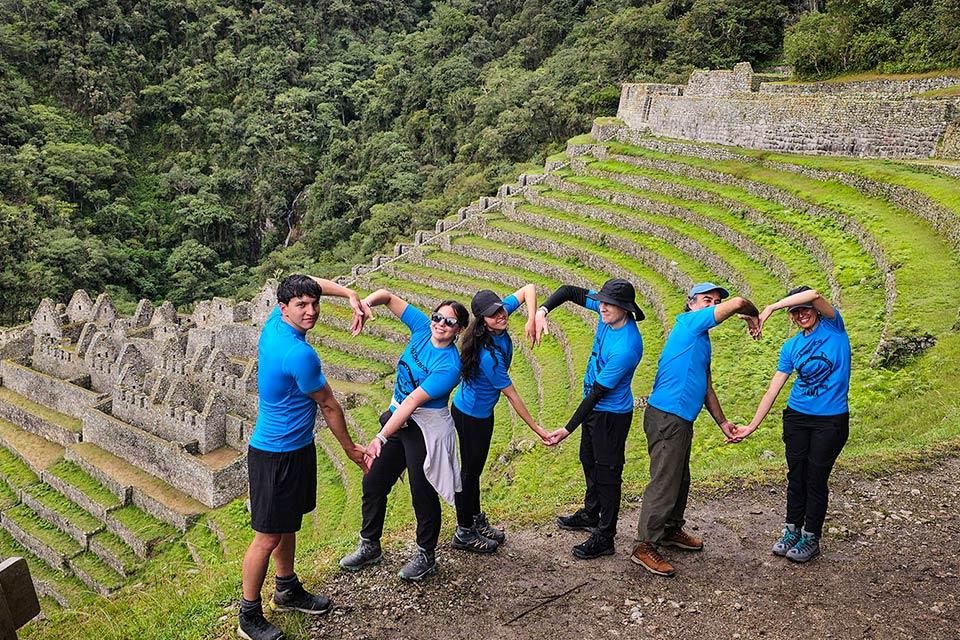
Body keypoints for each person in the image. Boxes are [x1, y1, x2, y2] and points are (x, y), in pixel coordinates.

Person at [239, 274, 370, 640]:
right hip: (275, 453)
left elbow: (308, 282)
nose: (311, 311)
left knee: (288, 524)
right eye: (302, 306)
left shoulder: (273, 324)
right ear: (284, 308)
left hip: (296, 448)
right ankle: (248, 614)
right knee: (266, 537)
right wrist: (350, 449)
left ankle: (287, 588)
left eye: (314, 304)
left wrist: (348, 293)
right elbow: (328, 404)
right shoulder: (299, 353)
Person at [338, 289, 469, 581]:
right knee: (373, 481)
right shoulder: (422, 328)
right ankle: (369, 544)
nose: (441, 324)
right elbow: (386, 295)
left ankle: (426, 554)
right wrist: (364, 306)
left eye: (449, 322)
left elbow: (412, 403)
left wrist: (381, 437)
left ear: (459, 330)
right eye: (438, 317)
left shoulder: (449, 366)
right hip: (399, 420)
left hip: (426, 427)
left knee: (422, 492)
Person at [631, 282, 759, 578]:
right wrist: (754, 316)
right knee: (664, 481)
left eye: (715, 301)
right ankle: (644, 544)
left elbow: (707, 389)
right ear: (691, 303)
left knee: (680, 478)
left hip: (681, 418)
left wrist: (724, 423)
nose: (712, 305)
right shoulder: (689, 323)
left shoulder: (701, 340)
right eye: (706, 300)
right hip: (666, 415)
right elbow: (739, 301)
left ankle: (670, 529)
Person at [729, 286, 850, 563]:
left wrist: (771, 307)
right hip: (797, 416)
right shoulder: (791, 347)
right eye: (795, 312)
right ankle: (791, 530)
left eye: (805, 309)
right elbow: (773, 390)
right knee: (796, 476)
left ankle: (811, 537)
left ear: (815, 310)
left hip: (830, 420)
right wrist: (752, 426)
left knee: (815, 478)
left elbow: (815, 293)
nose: (801, 314)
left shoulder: (834, 328)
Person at [533, 278, 645, 560]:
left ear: (625, 308)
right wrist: (542, 311)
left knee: (608, 474)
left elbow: (597, 394)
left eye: (610, 304)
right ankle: (591, 513)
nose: (602, 307)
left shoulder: (627, 347)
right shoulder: (606, 312)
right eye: (602, 302)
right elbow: (569, 291)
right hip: (596, 410)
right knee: (588, 459)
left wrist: (567, 429)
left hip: (611, 415)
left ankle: (605, 536)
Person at [451, 286, 549, 553]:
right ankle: (464, 531)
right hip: (470, 415)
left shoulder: (500, 314)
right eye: (493, 315)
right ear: (483, 320)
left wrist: (531, 317)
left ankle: (475, 519)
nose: (501, 315)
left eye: (501, 309)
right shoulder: (488, 356)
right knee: (469, 474)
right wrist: (538, 429)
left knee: (475, 471)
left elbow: (529, 289)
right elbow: (513, 396)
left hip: (481, 412)